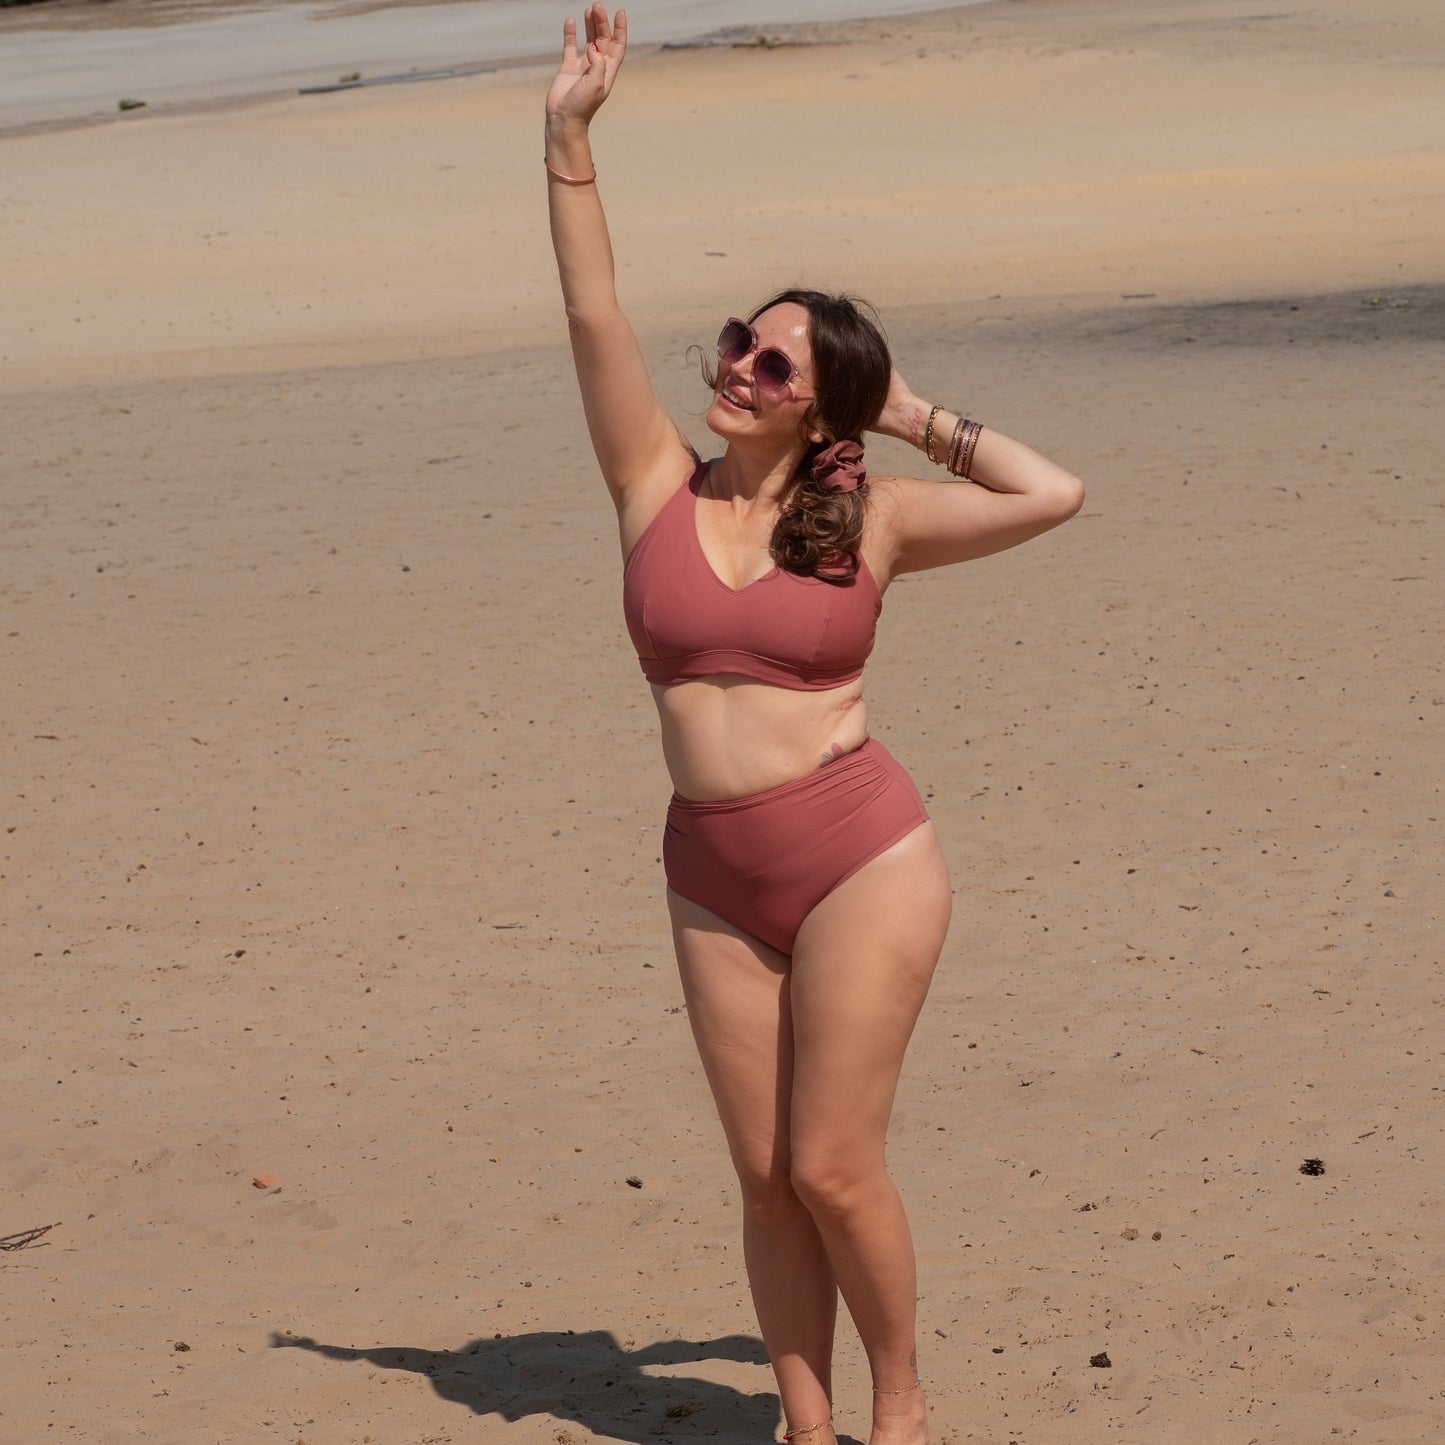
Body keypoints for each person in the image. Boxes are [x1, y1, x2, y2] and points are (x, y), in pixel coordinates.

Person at [545, 9, 1083, 1443]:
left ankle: (898, 1412)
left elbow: (1052, 493)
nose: (741, 369)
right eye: (740, 343)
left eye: (778, 366)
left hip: (858, 854)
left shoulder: (877, 518)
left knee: (835, 1166)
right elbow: (594, 318)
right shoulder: (653, 483)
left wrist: (906, 411)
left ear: (821, 403)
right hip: (711, 868)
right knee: (766, 1178)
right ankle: (805, 1422)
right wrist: (568, 139)